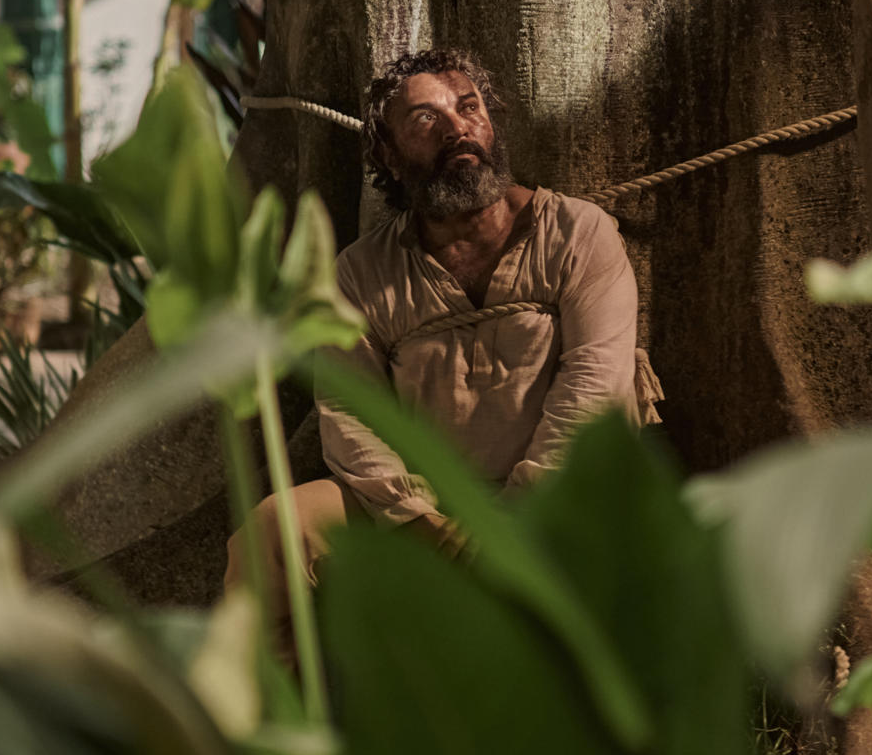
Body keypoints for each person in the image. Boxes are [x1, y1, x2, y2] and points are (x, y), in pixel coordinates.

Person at [224, 48, 642, 623]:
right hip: (421, 512)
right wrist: (420, 520)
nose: (457, 128)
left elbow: (595, 392)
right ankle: (263, 708)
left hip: (562, 497)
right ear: (389, 158)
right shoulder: (360, 271)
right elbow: (350, 412)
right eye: (426, 118)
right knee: (273, 531)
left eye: (469, 108)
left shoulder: (577, 233)